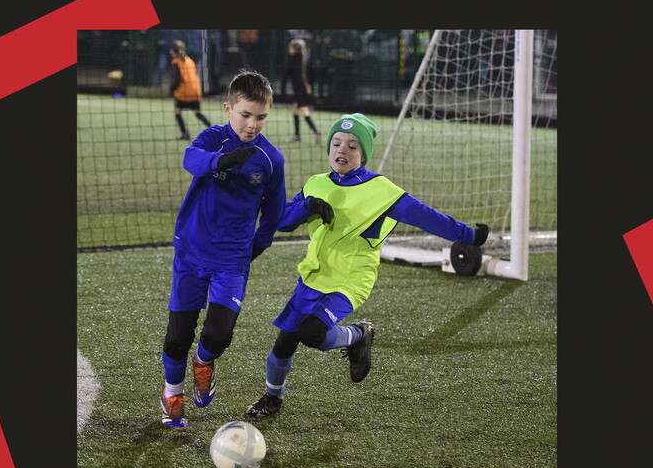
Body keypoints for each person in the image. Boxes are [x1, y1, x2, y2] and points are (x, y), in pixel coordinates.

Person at [245, 113, 489, 419]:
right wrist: (307, 206)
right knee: (283, 344)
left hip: (350, 280)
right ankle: (272, 398)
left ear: (364, 155)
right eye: (336, 143)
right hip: (313, 277)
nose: (342, 150)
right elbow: (281, 222)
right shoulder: (316, 184)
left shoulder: (382, 191)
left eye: (352, 146)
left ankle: (360, 334)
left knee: (311, 332)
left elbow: (426, 216)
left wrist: (469, 236)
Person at [159, 69, 286, 428]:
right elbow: (191, 160)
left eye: (261, 117)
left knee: (218, 335)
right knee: (177, 335)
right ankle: (172, 394)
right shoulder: (212, 138)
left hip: (231, 260)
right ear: (229, 109)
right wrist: (221, 160)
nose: (253, 124)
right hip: (192, 252)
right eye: (246, 115)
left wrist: (256, 247)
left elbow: (273, 214)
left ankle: (204, 362)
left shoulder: (271, 159)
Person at [168, 39, 213, 141]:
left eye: (171, 50)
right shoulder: (190, 60)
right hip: (195, 90)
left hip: (184, 92)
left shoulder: (175, 62)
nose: (170, 52)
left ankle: (185, 134)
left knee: (177, 112)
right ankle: (214, 129)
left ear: (174, 51)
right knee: (197, 113)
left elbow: (177, 79)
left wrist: (172, 90)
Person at [282, 39, 321, 143]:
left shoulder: (293, 60)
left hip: (299, 91)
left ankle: (315, 133)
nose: (289, 49)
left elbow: (286, 75)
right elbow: (314, 75)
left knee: (304, 111)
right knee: (296, 110)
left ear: (294, 49)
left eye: (290, 47)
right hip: (303, 90)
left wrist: (283, 89)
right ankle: (298, 136)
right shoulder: (305, 60)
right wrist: (309, 85)